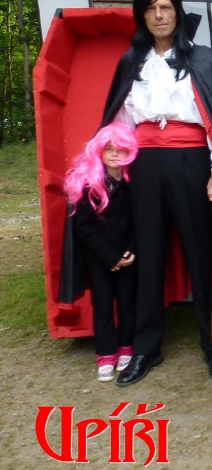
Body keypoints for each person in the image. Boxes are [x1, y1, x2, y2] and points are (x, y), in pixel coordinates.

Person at [99, 0, 212, 386]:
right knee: (148, 254)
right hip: (144, 164)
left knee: (201, 253)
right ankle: (146, 347)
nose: (159, 15)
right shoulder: (131, 61)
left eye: (166, 7)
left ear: (177, 12)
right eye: (151, 9)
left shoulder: (201, 58)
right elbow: (120, 122)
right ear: (142, 16)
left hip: (191, 160)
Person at [62, 123, 139, 381]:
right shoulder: (89, 186)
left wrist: (132, 250)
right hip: (99, 260)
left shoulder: (133, 184)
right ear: (99, 151)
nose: (115, 154)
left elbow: (140, 222)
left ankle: (126, 346)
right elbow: (84, 228)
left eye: (121, 149)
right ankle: (106, 353)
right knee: (103, 305)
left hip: (127, 258)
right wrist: (109, 258)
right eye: (108, 149)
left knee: (128, 303)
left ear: (130, 151)